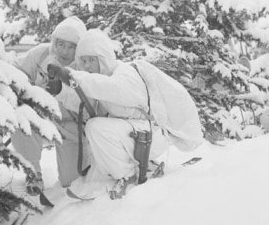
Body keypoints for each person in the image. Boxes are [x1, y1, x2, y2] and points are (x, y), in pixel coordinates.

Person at [48, 31, 203, 199]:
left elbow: (111, 88)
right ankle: (134, 170)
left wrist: (73, 76)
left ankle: (128, 176)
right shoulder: (101, 79)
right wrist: (61, 90)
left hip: (151, 136)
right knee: (95, 157)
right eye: (83, 61)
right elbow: (86, 102)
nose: (86, 66)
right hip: (136, 135)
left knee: (96, 128)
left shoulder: (125, 73)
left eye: (91, 60)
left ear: (103, 58)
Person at [12, 16, 90, 193]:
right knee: (22, 118)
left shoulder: (84, 66)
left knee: (71, 181)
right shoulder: (40, 54)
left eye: (71, 47)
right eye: (61, 44)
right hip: (41, 117)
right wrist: (26, 91)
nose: (64, 51)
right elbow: (15, 71)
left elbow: (90, 102)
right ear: (54, 42)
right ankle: (33, 173)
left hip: (70, 124)